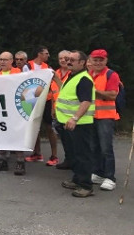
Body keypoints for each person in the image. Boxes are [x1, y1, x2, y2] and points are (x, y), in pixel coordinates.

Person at [56, 50, 96, 198]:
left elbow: (86, 101)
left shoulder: (84, 79)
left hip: (80, 124)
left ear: (82, 63)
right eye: (68, 59)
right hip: (69, 123)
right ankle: (77, 179)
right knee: (75, 153)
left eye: (73, 60)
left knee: (82, 154)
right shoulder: (73, 75)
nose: (68, 62)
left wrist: (75, 118)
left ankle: (86, 186)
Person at [0, 51, 27, 174]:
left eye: (5, 59)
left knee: (17, 136)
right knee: (1, 135)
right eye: (0, 59)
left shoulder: (18, 74)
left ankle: (20, 162)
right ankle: (2, 160)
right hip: (0, 110)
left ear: (11, 61)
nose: (2, 62)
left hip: (14, 111)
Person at [88, 49, 120, 191]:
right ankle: (98, 173)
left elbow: (112, 95)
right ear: (91, 60)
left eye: (101, 59)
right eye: (95, 59)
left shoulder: (111, 75)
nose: (98, 62)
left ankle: (110, 177)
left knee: (106, 148)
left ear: (106, 60)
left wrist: (92, 91)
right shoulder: (89, 74)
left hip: (106, 117)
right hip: (91, 116)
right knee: (94, 147)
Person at [24, 46, 58, 164]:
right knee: (35, 127)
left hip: (46, 99)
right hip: (33, 100)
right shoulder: (27, 66)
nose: (48, 56)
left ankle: (54, 155)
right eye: (46, 53)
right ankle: (36, 153)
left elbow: (54, 81)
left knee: (49, 127)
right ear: (39, 54)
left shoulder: (48, 68)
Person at [51, 50, 72, 168]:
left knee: (72, 139)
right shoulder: (56, 73)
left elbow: (66, 90)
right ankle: (68, 160)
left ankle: (75, 162)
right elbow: (54, 93)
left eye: (66, 58)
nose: (63, 60)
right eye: (61, 58)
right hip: (59, 110)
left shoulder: (73, 74)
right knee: (64, 138)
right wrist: (53, 109)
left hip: (70, 111)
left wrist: (57, 80)